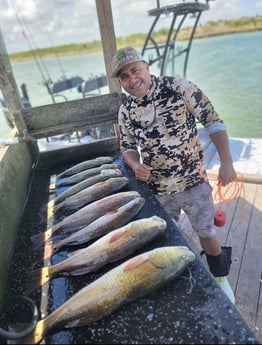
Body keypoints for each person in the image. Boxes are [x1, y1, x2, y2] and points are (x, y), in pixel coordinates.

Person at [111, 46, 236, 304]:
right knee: (162, 235)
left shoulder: (179, 88)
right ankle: (170, 282)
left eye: (135, 70)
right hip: (157, 188)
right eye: (124, 76)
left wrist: (227, 163)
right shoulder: (126, 110)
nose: (132, 80)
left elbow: (213, 122)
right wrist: (135, 166)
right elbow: (127, 147)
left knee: (207, 232)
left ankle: (221, 278)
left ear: (146, 66)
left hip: (193, 181)